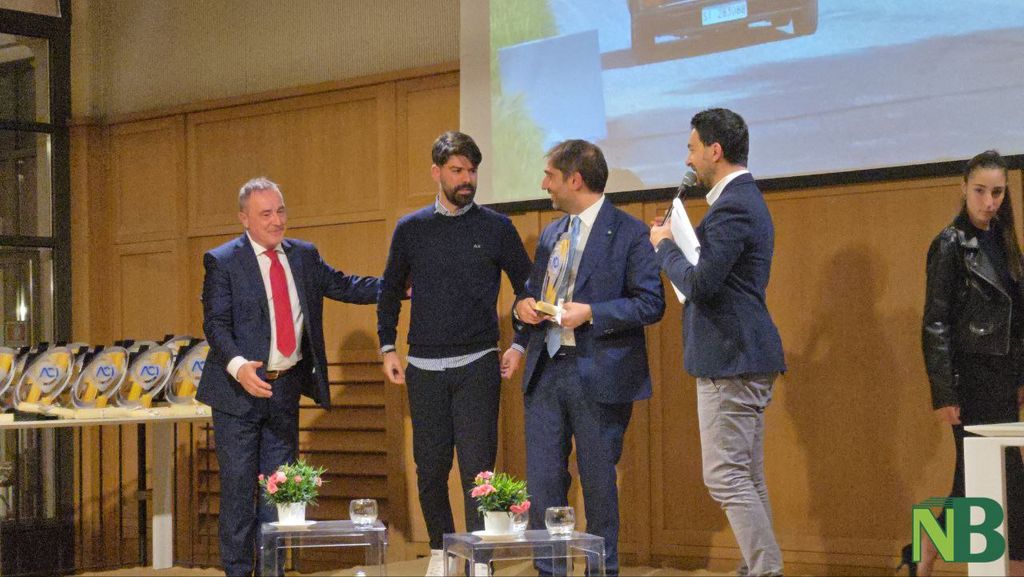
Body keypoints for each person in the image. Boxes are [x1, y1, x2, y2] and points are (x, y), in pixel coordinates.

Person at [197, 177, 380, 576]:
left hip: (284, 391)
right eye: (266, 214)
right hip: (237, 394)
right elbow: (215, 324)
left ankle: (273, 572)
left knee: (279, 497)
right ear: (244, 218)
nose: (276, 221)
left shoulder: (303, 256)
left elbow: (345, 286)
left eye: (280, 211)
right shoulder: (223, 261)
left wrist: (400, 287)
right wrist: (238, 366)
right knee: (239, 495)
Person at [377, 131, 532, 576]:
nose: (467, 179)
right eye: (457, 170)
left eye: (472, 171)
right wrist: (388, 347)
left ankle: (480, 556)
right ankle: (442, 552)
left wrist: (519, 343)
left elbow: (528, 289)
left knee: (478, 472)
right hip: (423, 367)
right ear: (436, 172)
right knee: (429, 469)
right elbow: (389, 290)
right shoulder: (411, 229)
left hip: (478, 363)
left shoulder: (496, 227)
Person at [507, 139, 665, 576]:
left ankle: (602, 570)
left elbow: (651, 304)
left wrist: (592, 312)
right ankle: (549, 570)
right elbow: (533, 292)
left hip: (600, 374)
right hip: (546, 370)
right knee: (543, 483)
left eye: (550, 176)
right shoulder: (552, 233)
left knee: (598, 483)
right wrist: (522, 309)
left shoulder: (630, 233)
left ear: (575, 180)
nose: (544, 185)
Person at [650, 108, 786, 576]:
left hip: (732, 356)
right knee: (745, 475)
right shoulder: (740, 200)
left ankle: (765, 570)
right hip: (741, 353)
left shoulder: (733, 205)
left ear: (715, 150)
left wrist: (664, 246)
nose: (688, 159)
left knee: (726, 477)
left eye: (691, 149)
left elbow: (701, 284)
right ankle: (757, 568)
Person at [914, 150, 1024, 576]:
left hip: (1003, 379)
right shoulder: (950, 243)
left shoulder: (1004, 240)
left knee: (979, 477)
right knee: (1000, 477)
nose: (989, 201)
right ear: (963, 188)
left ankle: (928, 547)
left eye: (997, 192)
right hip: (971, 380)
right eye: (980, 191)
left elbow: (1016, 320)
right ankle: (1010, 564)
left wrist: (1020, 377)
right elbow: (936, 322)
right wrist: (944, 392)